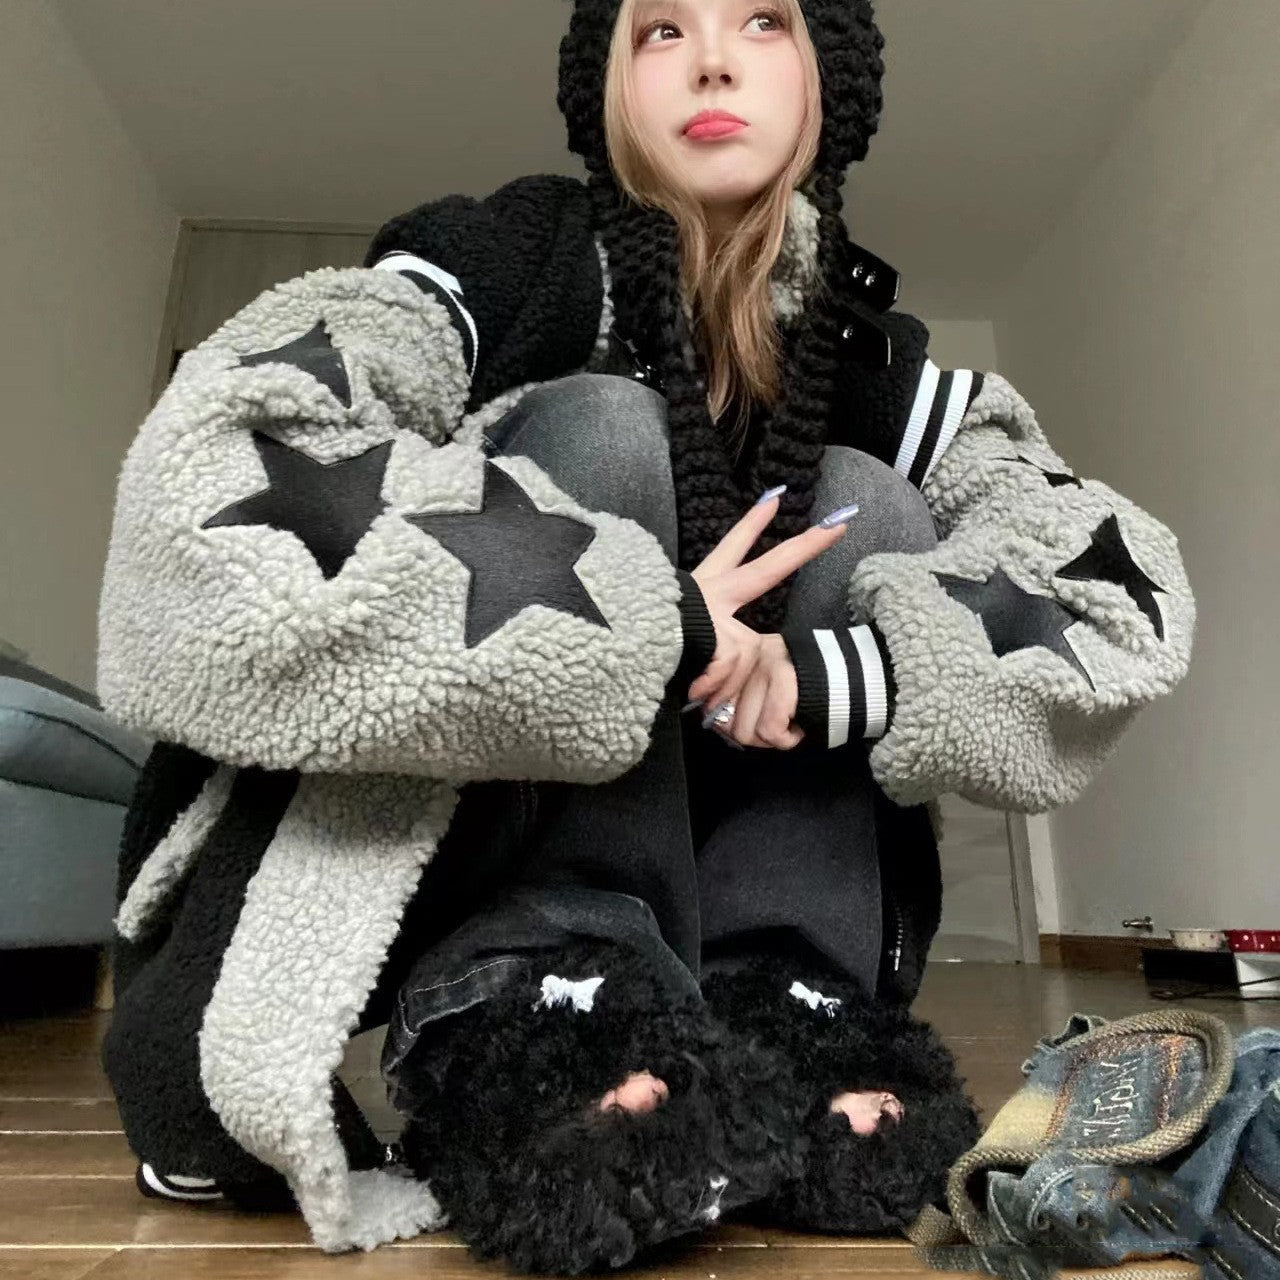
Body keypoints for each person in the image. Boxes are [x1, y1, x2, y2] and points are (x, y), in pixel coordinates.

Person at [95, 0, 1196, 1270]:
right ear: (609, 87)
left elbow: (1113, 594)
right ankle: (548, 987)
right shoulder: (497, 260)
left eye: (762, 21)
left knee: (868, 500)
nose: (712, 59)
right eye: (660, 29)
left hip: (742, 826)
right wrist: (657, 626)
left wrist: (842, 673)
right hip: (496, 832)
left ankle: (784, 1000)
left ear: (825, 83)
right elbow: (216, 468)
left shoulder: (873, 357)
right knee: (607, 427)